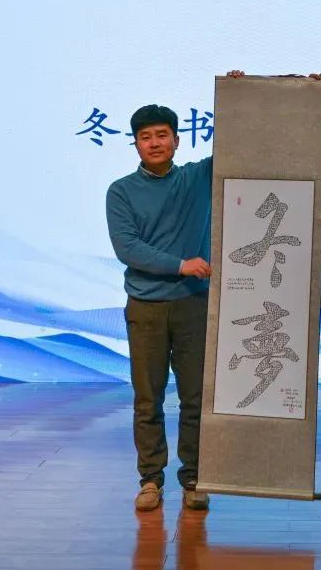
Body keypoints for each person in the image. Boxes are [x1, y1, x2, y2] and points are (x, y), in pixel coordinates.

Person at [105, 104, 214, 512]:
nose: (154, 143)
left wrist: (237, 89)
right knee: (148, 398)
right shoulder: (121, 191)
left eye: (162, 135)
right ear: (135, 143)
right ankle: (150, 479)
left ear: (177, 140)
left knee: (195, 397)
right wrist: (180, 265)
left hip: (193, 304)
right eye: (146, 136)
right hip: (145, 307)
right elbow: (127, 248)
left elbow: (238, 142)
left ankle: (194, 478)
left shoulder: (197, 178)